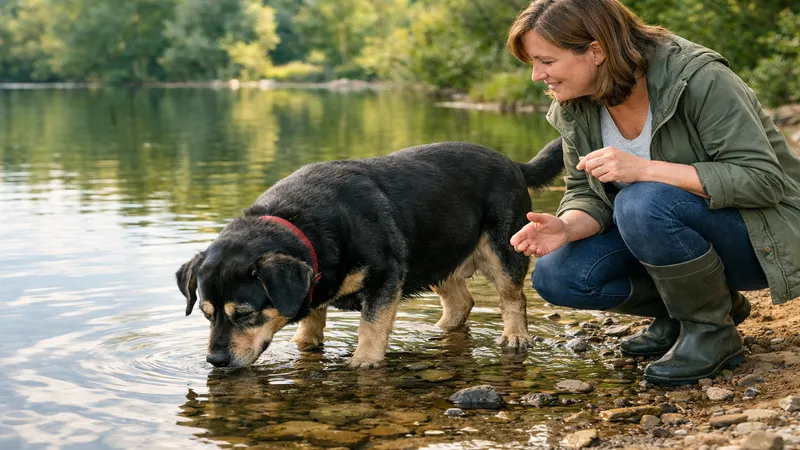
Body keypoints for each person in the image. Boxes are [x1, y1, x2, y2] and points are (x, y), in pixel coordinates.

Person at [506, 0, 800, 385]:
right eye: (533, 63)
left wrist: (645, 170)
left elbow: (763, 180)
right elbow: (586, 193)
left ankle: (710, 333)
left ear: (596, 51)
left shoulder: (700, 78)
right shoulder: (574, 103)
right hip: (672, 229)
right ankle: (692, 312)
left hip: (766, 235)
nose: (536, 75)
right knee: (558, 275)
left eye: (546, 61)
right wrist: (565, 228)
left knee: (642, 201)